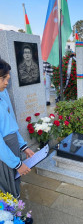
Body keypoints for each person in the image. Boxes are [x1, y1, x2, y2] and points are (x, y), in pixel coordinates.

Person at [0, 59, 34, 198]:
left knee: (14, 185)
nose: (6, 83)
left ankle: (16, 216)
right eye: (3, 79)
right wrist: (17, 164)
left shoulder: (2, 94)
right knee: (7, 190)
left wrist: (23, 147)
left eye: (7, 79)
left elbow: (10, 125)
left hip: (11, 149)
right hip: (4, 155)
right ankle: (12, 217)